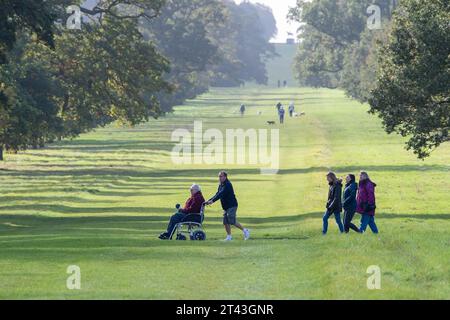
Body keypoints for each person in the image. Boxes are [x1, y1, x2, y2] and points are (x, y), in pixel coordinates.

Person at [205, 171, 250, 241]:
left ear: (225, 177)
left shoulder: (228, 184)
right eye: (219, 176)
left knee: (231, 220)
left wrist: (212, 201)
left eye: (221, 176)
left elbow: (221, 194)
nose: (219, 178)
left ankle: (245, 230)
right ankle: (229, 237)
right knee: (225, 222)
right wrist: (209, 200)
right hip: (226, 207)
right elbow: (217, 194)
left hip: (232, 205)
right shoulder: (221, 185)